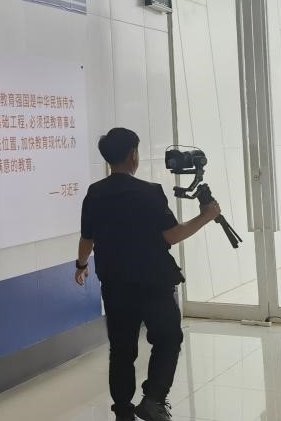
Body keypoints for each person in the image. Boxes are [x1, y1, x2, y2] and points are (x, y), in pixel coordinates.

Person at [74, 127, 221, 421]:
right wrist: (206, 216)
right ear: (133, 155)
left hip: (115, 284)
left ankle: (122, 411)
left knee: (121, 349)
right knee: (168, 338)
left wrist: (81, 265)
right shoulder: (149, 192)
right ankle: (153, 398)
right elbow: (172, 235)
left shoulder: (95, 193)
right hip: (153, 282)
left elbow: (87, 238)